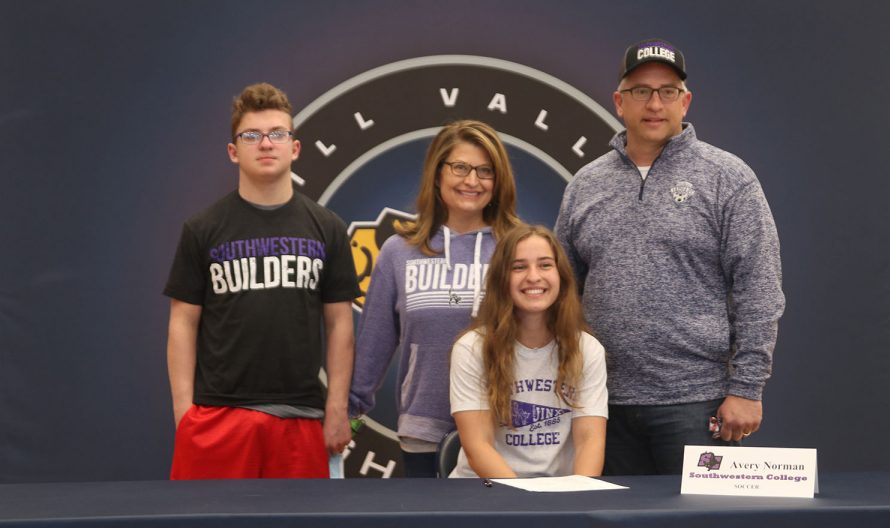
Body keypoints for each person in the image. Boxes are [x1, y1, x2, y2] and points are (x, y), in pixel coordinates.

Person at [554, 39, 785, 475]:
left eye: (667, 91)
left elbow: (759, 286)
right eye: (641, 91)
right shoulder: (586, 184)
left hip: (697, 405)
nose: (654, 104)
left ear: (686, 101)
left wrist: (747, 388)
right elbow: (563, 291)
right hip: (601, 404)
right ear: (619, 102)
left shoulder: (727, 177)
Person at [164, 83, 360, 479]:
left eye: (277, 134)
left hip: (301, 416)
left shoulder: (327, 228)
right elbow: (182, 322)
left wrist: (336, 409)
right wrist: (184, 413)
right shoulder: (202, 229)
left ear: (295, 148)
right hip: (219, 415)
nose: (265, 144)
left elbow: (340, 324)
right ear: (234, 151)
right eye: (251, 135)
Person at [349, 120, 520, 477]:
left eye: (485, 171)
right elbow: (374, 343)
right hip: (424, 428)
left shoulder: (518, 247)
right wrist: (349, 410)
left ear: (498, 181)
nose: (472, 181)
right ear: (438, 173)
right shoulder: (399, 251)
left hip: (505, 429)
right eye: (460, 167)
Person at [448, 224, 608, 478]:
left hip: (559, 497)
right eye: (519, 267)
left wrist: (579, 501)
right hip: (486, 493)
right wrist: (528, 507)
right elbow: (478, 447)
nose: (534, 277)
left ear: (561, 276)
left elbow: (590, 440)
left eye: (545, 265)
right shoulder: (471, 348)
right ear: (501, 279)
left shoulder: (586, 348)